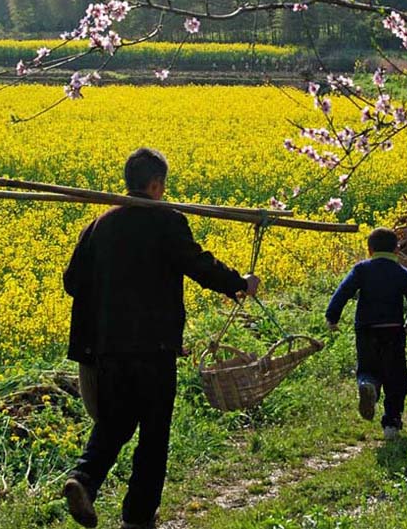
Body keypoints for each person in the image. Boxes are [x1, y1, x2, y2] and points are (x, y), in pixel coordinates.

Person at [62, 148, 259, 529]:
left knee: (115, 422)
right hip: (155, 347)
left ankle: (84, 478)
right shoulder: (165, 220)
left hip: (107, 349)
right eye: (163, 186)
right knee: (154, 434)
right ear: (155, 185)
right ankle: (137, 518)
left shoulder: (98, 225)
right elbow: (199, 265)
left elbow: (72, 283)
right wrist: (240, 283)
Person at [325, 228, 407, 440]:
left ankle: (368, 385)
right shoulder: (403, 273)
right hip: (393, 329)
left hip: (366, 328)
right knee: (396, 377)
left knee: (367, 366)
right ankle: (391, 422)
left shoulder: (361, 269)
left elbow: (343, 291)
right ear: (396, 249)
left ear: (369, 249)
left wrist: (332, 316)